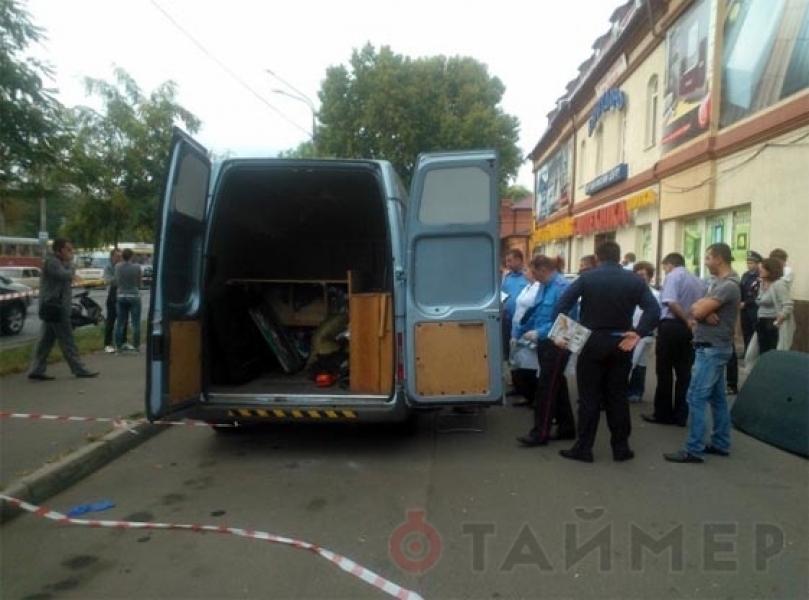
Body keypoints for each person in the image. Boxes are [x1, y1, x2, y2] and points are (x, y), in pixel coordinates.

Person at [553, 242, 660, 462]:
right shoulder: (635, 281)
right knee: (617, 396)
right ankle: (621, 448)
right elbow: (654, 309)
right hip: (621, 341)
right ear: (619, 257)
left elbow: (561, 305)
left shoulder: (587, 278)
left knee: (589, 397)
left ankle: (584, 448)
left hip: (590, 340)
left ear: (598, 257)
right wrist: (638, 332)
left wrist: (566, 336)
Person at [664, 243, 741, 463]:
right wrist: (703, 311)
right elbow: (696, 307)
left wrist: (701, 311)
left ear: (719, 259)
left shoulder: (727, 285)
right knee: (717, 399)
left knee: (695, 397)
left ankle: (693, 449)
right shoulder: (717, 284)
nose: (705, 262)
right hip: (712, 347)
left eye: (708, 258)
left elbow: (695, 310)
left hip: (711, 349)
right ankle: (721, 443)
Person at [515, 255, 576, 446]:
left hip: (558, 341)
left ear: (542, 270)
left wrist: (539, 332)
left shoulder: (563, 287)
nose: (531, 276)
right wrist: (523, 330)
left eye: (533, 272)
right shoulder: (545, 286)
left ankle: (539, 433)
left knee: (546, 388)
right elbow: (538, 311)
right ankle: (567, 428)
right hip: (546, 341)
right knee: (557, 386)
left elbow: (567, 320)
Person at [642, 252, 706, 427]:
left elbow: (670, 302)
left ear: (670, 265)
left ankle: (663, 413)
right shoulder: (698, 280)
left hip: (672, 326)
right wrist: (690, 321)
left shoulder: (673, 276)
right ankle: (681, 415)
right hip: (689, 329)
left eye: (664, 268)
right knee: (684, 373)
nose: (664, 272)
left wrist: (684, 318)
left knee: (664, 372)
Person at [27, 238, 99, 380]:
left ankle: (36, 369)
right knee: (67, 339)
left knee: (46, 340)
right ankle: (79, 369)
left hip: (54, 306)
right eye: (68, 249)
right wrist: (71, 264)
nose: (70, 253)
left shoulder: (58, 262)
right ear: (59, 250)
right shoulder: (53, 262)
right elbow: (65, 275)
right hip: (55, 308)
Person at [627, 261, 661, 402]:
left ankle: (636, 391)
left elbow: (657, 313)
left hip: (645, 332)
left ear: (650, 277)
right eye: (637, 274)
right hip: (630, 331)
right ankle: (628, 390)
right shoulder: (629, 291)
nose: (640, 277)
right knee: (630, 362)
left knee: (640, 363)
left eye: (643, 275)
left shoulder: (656, 294)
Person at [509, 265, 541, 407]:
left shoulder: (538, 288)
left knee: (531, 367)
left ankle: (534, 398)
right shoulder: (528, 287)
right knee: (520, 363)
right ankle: (529, 396)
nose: (524, 272)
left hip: (528, 330)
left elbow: (532, 312)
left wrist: (522, 329)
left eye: (527, 270)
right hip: (518, 327)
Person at [501, 248, 529, 392]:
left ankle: (526, 385)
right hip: (507, 320)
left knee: (523, 352)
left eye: (510, 260)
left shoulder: (528, 277)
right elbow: (503, 295)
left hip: (523, 323)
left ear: (519, 260)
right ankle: (516, 384)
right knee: (510, 352)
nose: (507, 263)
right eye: (506, 261)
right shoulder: (507, 278)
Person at [756, 257, 794, 354]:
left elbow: (788, 305)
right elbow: (759, 300)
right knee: (761, 351)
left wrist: (777, 321)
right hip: (761, 321)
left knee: (772, 352)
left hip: (772, 323)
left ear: (770, 270)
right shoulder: (762, 283)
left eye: (762, 268)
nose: (759, 270)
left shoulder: (779, 284)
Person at [114, 248, 143, 352]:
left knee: (120, 322)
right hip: (134, 295)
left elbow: (117, 281)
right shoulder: (137, 267)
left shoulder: (117, 267)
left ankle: (118, 345)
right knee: (136, 323)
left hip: (121, 295)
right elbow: (139, 282)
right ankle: (136, 345)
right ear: (131, 256)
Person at [739, 251, 762, 354]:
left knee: (754, 332)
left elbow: (758, 294)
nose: (749, 265)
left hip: (754, 308)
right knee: (746, 331)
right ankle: (746, 351)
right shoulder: (745, 275)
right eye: (748, 262)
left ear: (757, 264)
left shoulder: (760, 276)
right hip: (744, 309)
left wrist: (746, 303)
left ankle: (754, 353)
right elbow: (741, 290)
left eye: (752, 263)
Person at [103, 248, 124, 354]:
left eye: (120, 256)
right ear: (112, 257)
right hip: (111, 296)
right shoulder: (108, 267)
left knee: (123, 319)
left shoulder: (122, 266)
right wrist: (119, 275)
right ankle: (108, 343)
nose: (119, 259)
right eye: (117, 256)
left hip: (122, 295)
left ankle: (122, 342)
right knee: (111, 320)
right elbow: (109, 280)